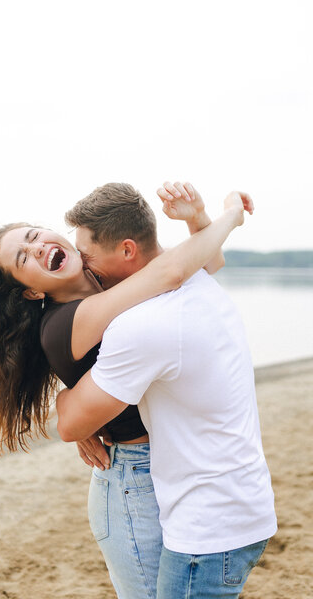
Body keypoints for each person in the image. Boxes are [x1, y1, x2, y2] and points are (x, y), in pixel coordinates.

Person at [0, 181, 251, 599]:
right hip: (133, 477)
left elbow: (208, 262)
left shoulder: (107, 282)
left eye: (34, 235)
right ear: (32, 290)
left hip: (167, 464)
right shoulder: (65, 322)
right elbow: (171, 272)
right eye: (23, 257)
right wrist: (229, 216)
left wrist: (197, 220)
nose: (38, 246)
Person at [56, 188, 277, 598]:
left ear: (126, 250)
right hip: (241, 503)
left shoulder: (145, 323)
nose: (85, 270)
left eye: (87, 258)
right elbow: (213, 257)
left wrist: (62, 397)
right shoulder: (192, 274)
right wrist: (207, 219)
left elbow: (70, 425)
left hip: (207, 527)